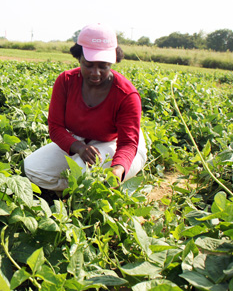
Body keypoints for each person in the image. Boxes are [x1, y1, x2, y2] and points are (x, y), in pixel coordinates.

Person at [24, 23, 147, 193]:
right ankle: (76, 191)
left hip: (116, 142)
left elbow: (127, 143)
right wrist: (79, 148)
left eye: (103, 66)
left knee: (82, 170)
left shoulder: (126, 94)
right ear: (79, 58)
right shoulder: (66, 81)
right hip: (81, 140)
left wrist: (117, 170)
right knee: (33, 167)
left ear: (113, 61)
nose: (95, 73)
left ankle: (94, 188)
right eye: (88, 65)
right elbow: (55, 127)